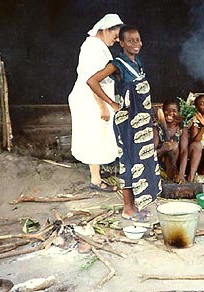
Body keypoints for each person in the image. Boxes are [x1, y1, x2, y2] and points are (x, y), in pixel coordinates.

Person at [87, 25, 161, 223]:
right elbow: (92, 81)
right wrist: (111, 103)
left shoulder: (138, 62)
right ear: (121, 42)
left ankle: (136, 206)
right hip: (127, 123)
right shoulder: (117, 64)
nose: (135, 44)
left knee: (141, 162)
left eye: (138, 40)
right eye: (130, 40)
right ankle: (127, 208)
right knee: (129, 162)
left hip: (142, 122)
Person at [68, 14, 124, 192]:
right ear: (105, 30)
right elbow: (90, 79)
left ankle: (98, 172)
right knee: (94, 135)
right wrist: (102, 107)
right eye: (115, 36)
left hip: (96, 96)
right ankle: (96, 180)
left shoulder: (99, 46)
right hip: (89, 98)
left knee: (100, 135)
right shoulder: (91, 47)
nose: (116, 41)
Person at [153, 98, 189, 183]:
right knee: (173, 146)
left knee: (175, 146)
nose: (170, 113)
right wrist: (163, 149)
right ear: (162, 111)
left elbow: (184, 151)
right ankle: (170, 179)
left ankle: (176, 177)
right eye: (167, 110)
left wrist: (181, 174)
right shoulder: (157, 127)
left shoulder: (182, 126)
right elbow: (152, 153)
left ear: (178, 113)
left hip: (177, 164)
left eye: (174, 111)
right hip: (161, 165)